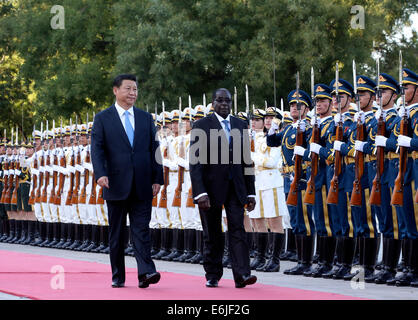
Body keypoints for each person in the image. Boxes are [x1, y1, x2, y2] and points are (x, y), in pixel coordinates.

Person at [91, 74, 164, 288]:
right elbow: (97, 149)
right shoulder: (103, 118)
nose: (133, 93)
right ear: (116, 90)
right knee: (117, 233)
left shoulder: (145, 118)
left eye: (135, 89)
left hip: (142, 183)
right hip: (114, 183)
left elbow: (155, 149)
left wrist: (157, 177)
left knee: (141, 229)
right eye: (128, 89)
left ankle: (146, 273)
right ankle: (118, 275)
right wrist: (100, 173)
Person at [189, 88, 257, 288]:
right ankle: (212, 273)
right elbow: (195, 162)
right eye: (220, 100)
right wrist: (200, 192)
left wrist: (250, 191)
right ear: (213, 103)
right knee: (213, 232)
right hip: (210, 190)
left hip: (236, 188)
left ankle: (242, 275)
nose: (224, 104)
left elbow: (247, 160)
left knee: (238, 229)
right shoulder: (201, 125)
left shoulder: (240, 124)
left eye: (227, 101)